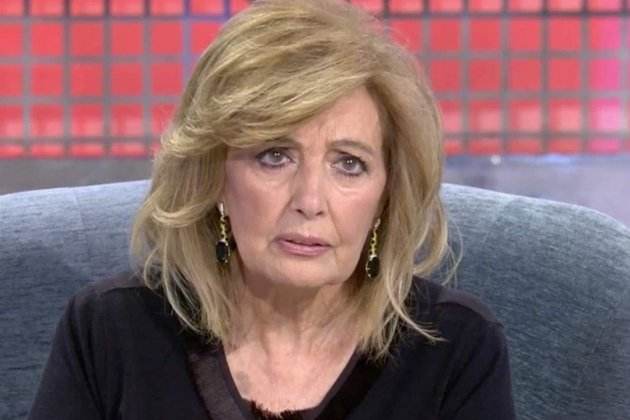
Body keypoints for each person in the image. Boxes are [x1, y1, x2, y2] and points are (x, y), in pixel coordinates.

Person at [29, 0, 515, 418]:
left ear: (386, 195)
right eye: (274, 156)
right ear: (214, 176)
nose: (310, 201)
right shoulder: (111, 332)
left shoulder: (453, 347)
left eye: (349, 164)